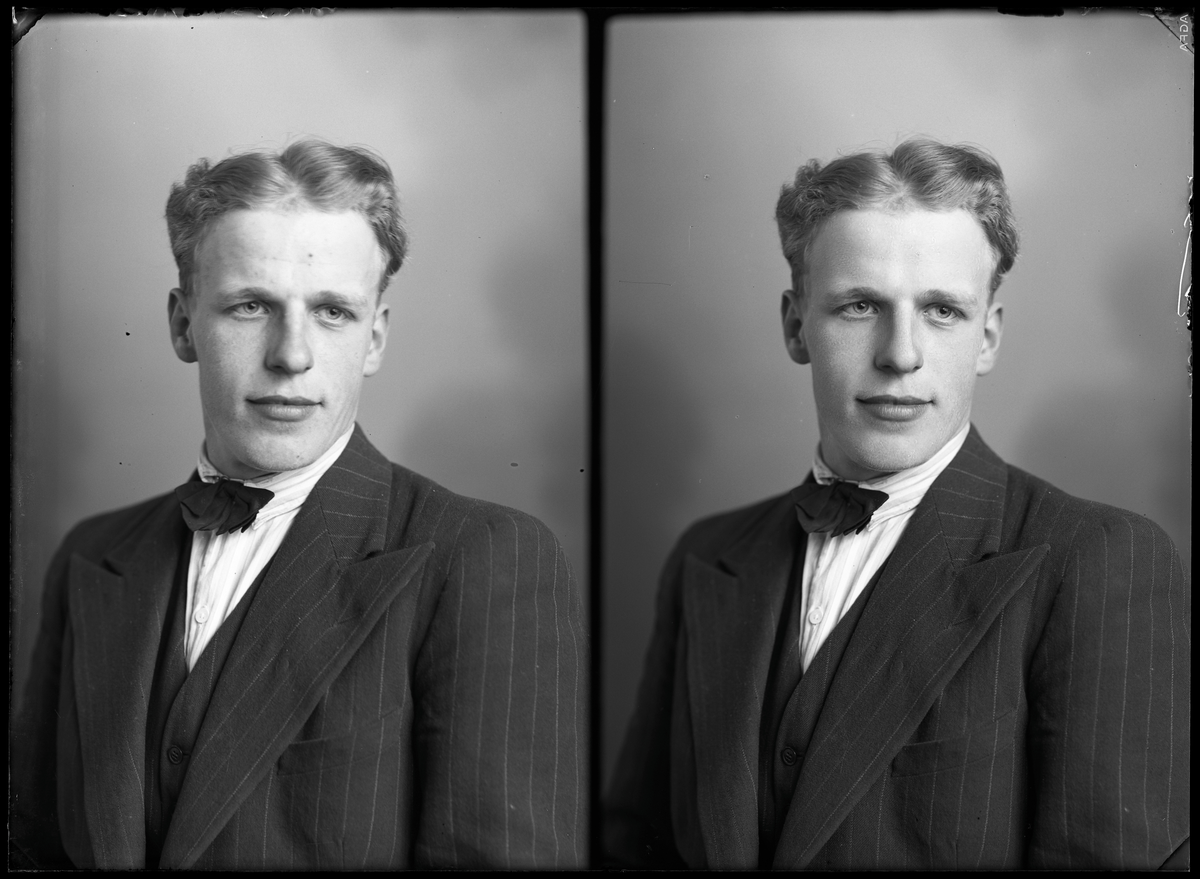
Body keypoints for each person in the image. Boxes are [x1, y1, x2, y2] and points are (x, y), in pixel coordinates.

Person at [604, 138, 1189, 870]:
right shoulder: (708, 554)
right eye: (859, 306)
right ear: (795, 325)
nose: (900, 354)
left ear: (988, 336)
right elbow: (633, 843)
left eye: (942, 310)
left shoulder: (1098, 561)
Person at [10, 139, 587, 870]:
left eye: (333, 312)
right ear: (183, 324)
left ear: (374, 338)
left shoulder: (486, 558)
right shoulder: (93, 555)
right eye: (250, 306)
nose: (291, 355)